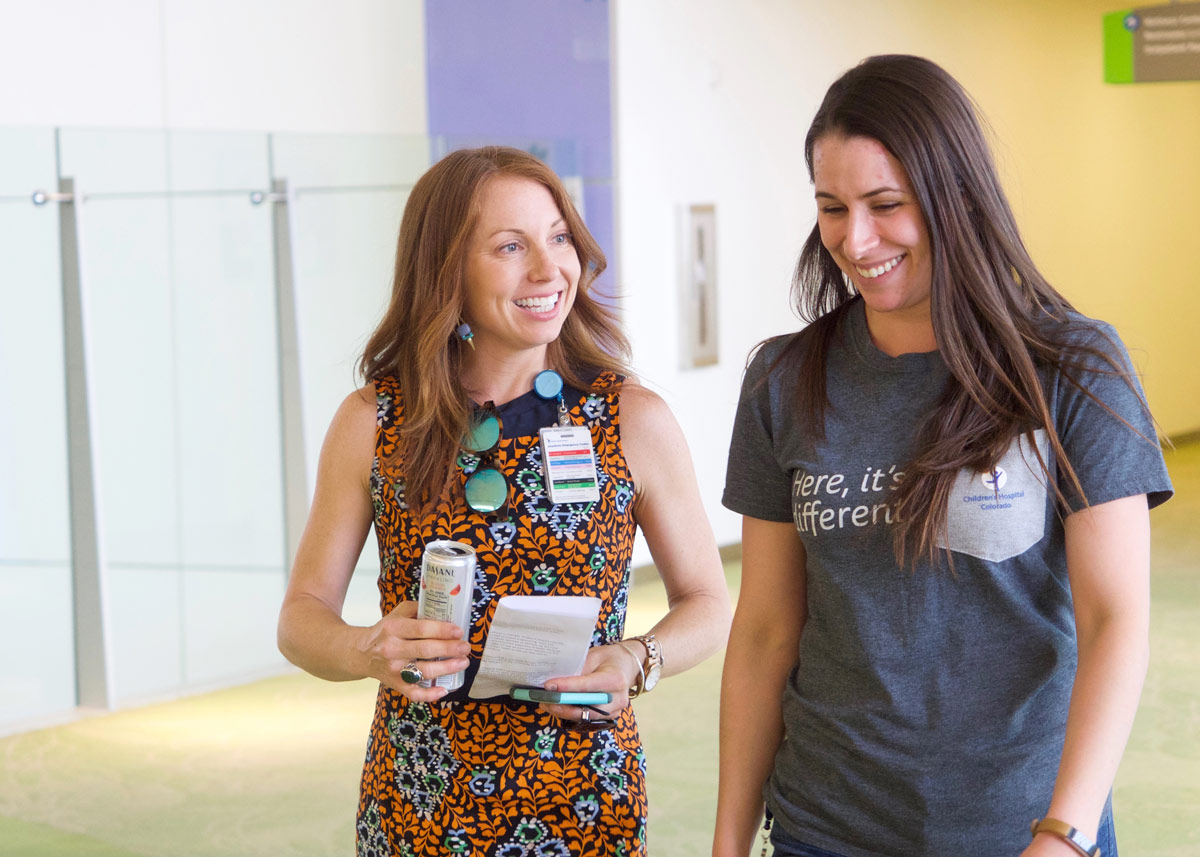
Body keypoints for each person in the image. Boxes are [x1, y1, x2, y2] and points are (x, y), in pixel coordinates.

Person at [714, 55, 1172, 857]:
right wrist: (726, 843)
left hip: (1020, 830)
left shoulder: (1071, 368)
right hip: (827, 828)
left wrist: (1063, 833)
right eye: (831, 207)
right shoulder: (784, 380)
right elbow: (764, 631)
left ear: (957, 194)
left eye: (886, 205)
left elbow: (1115, 619)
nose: (855, 240)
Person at [277, 145, 730, 857]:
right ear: (447, 267)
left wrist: (637, 658)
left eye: (559, 238)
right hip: (421, 798)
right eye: (510, 246)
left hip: (584, 799)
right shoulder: (374, 420)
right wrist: (367, 648)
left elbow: (709, 599)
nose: (549, 269)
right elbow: (300, 619)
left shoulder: (632, 418)